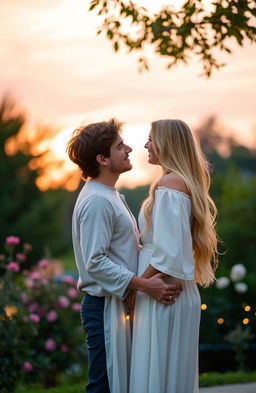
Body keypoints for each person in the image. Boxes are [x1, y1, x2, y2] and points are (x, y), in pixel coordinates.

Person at [66, 119, 182, 393]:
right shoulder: (97, 201)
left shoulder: (110, 195)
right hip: (102, 307)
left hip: (116, 304)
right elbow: (95, 262)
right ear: (102, 159)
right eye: (120, 146)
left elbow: (121, 250)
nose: (129, 148)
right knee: (104, 386)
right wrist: (144, 285)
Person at [129, 119, 218, 393]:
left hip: (163, 291)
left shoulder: (169, 184)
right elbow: (171, 246)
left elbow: (167, 254)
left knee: (159, 377)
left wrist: (135, 288)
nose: (146, 145)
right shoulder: (184, 183)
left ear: (167, 143)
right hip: (178, 291)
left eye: (151, 139)